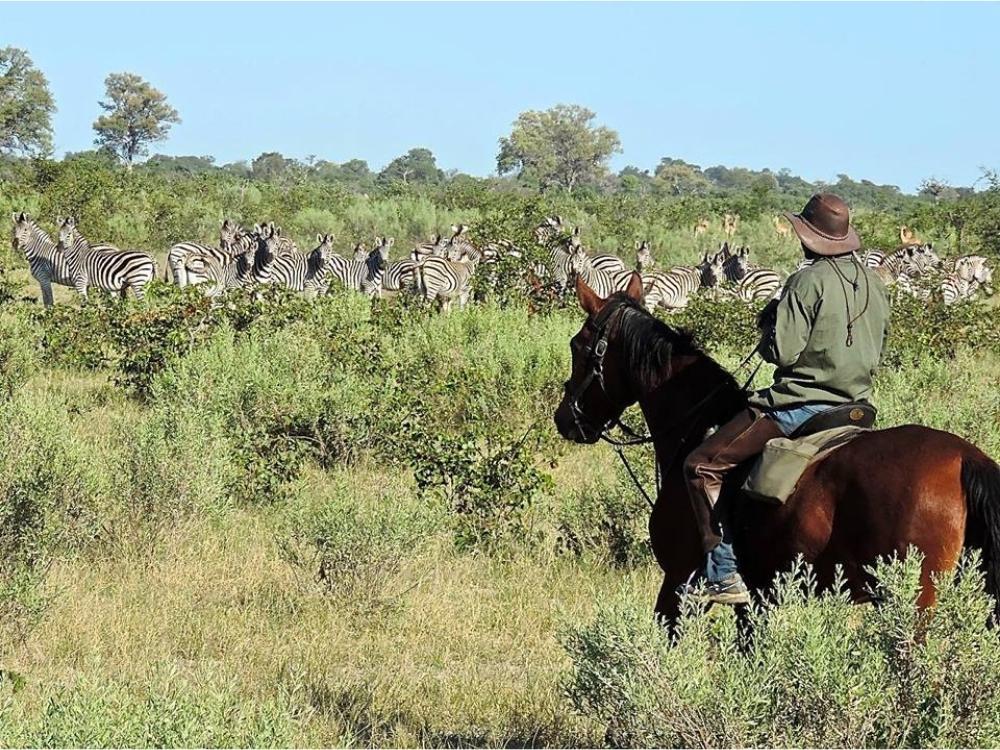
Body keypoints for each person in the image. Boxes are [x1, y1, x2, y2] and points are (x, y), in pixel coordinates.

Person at [677, 193, 891, 605]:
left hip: (800, 406)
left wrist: (770, 329)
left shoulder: (806, 281)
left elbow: (782, 353)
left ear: (809, 237)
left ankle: (723, 575)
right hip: (856, 410)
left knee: (701, 464)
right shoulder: (874, 284)